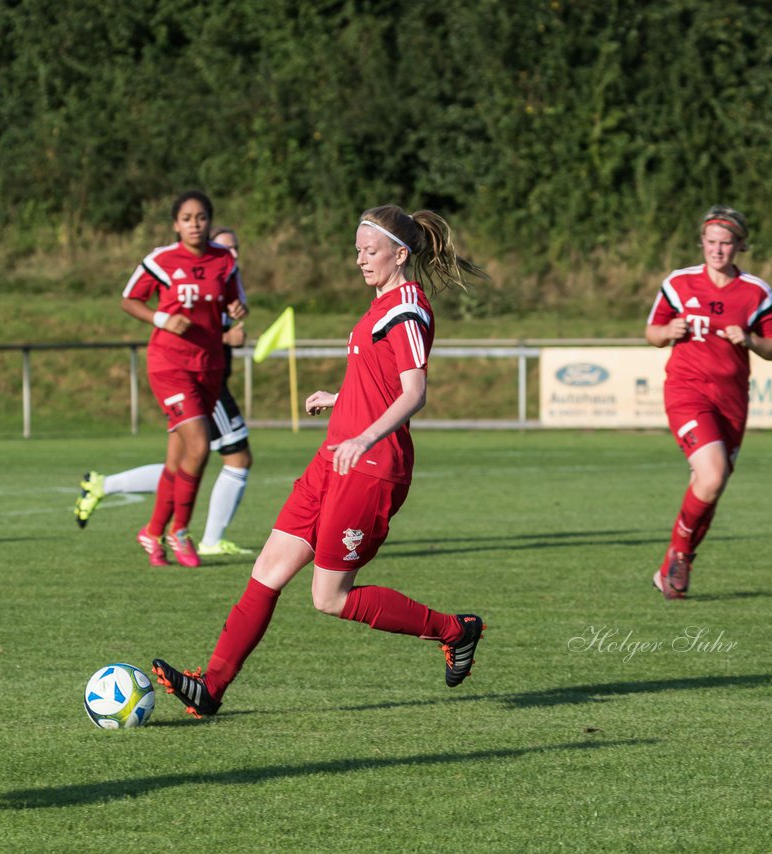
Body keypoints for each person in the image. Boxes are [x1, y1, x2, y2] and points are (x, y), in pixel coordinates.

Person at [150, 205, 485, 718]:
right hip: (333, 460)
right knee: (266, 569)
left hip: (372, 467)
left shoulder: (407, 307)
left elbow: (414, 391)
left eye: (369, 251)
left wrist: (366, 434)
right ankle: (210, 688)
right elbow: (379, 378)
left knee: (328, 597)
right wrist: (342, 397)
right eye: (356, 250)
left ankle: (455, 630)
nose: (360, 260)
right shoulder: (377, 308)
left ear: (400, 254)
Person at [73, 227, 254, 556]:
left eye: (237, 248)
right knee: (231, 457)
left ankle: (147, 524)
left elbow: (221, 322)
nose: (234, 254)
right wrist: (225, 338)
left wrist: (237, 316)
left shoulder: (223, 277)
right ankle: (205, 538)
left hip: (210, 377)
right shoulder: (179, 271)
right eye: (228, 247)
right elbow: (191, 327)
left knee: (181, 460)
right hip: (190, 377)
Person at [645, 205, 772, 599]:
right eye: (711, 242)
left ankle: (672, 567)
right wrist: (667, 331)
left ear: (740, 246)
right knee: (712, 475)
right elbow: (652, 333)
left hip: (732, 400)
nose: (717, 250)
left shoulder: (757, 293)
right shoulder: (679, 283)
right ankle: (680, 555)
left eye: (726, 243)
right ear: (701, 243)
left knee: (710, 484)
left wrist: (752, 340)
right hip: (687, 391)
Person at [118, 192, 247, 568]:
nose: (195, 223)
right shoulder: (161, 259)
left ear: (209, 221)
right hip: (169, 365)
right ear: (176, 224)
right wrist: (161, 319)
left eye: (202, 217)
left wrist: (239, 309)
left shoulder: (224, 260)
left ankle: (152, 531)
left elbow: (234, 304)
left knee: (178, 459)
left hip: (209, 366)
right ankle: (180, 531)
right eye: (187, 218)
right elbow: (129, 299)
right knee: (200, 447)